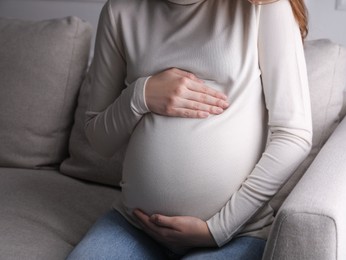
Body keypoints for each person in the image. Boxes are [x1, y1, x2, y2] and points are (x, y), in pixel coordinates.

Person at [67, 0, 312, 259]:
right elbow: (99, 140)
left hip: (236, 233)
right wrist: (140, 95)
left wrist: (217, 229)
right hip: (136, 225)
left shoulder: (265, 6)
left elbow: (293, 135)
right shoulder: (120, 11)